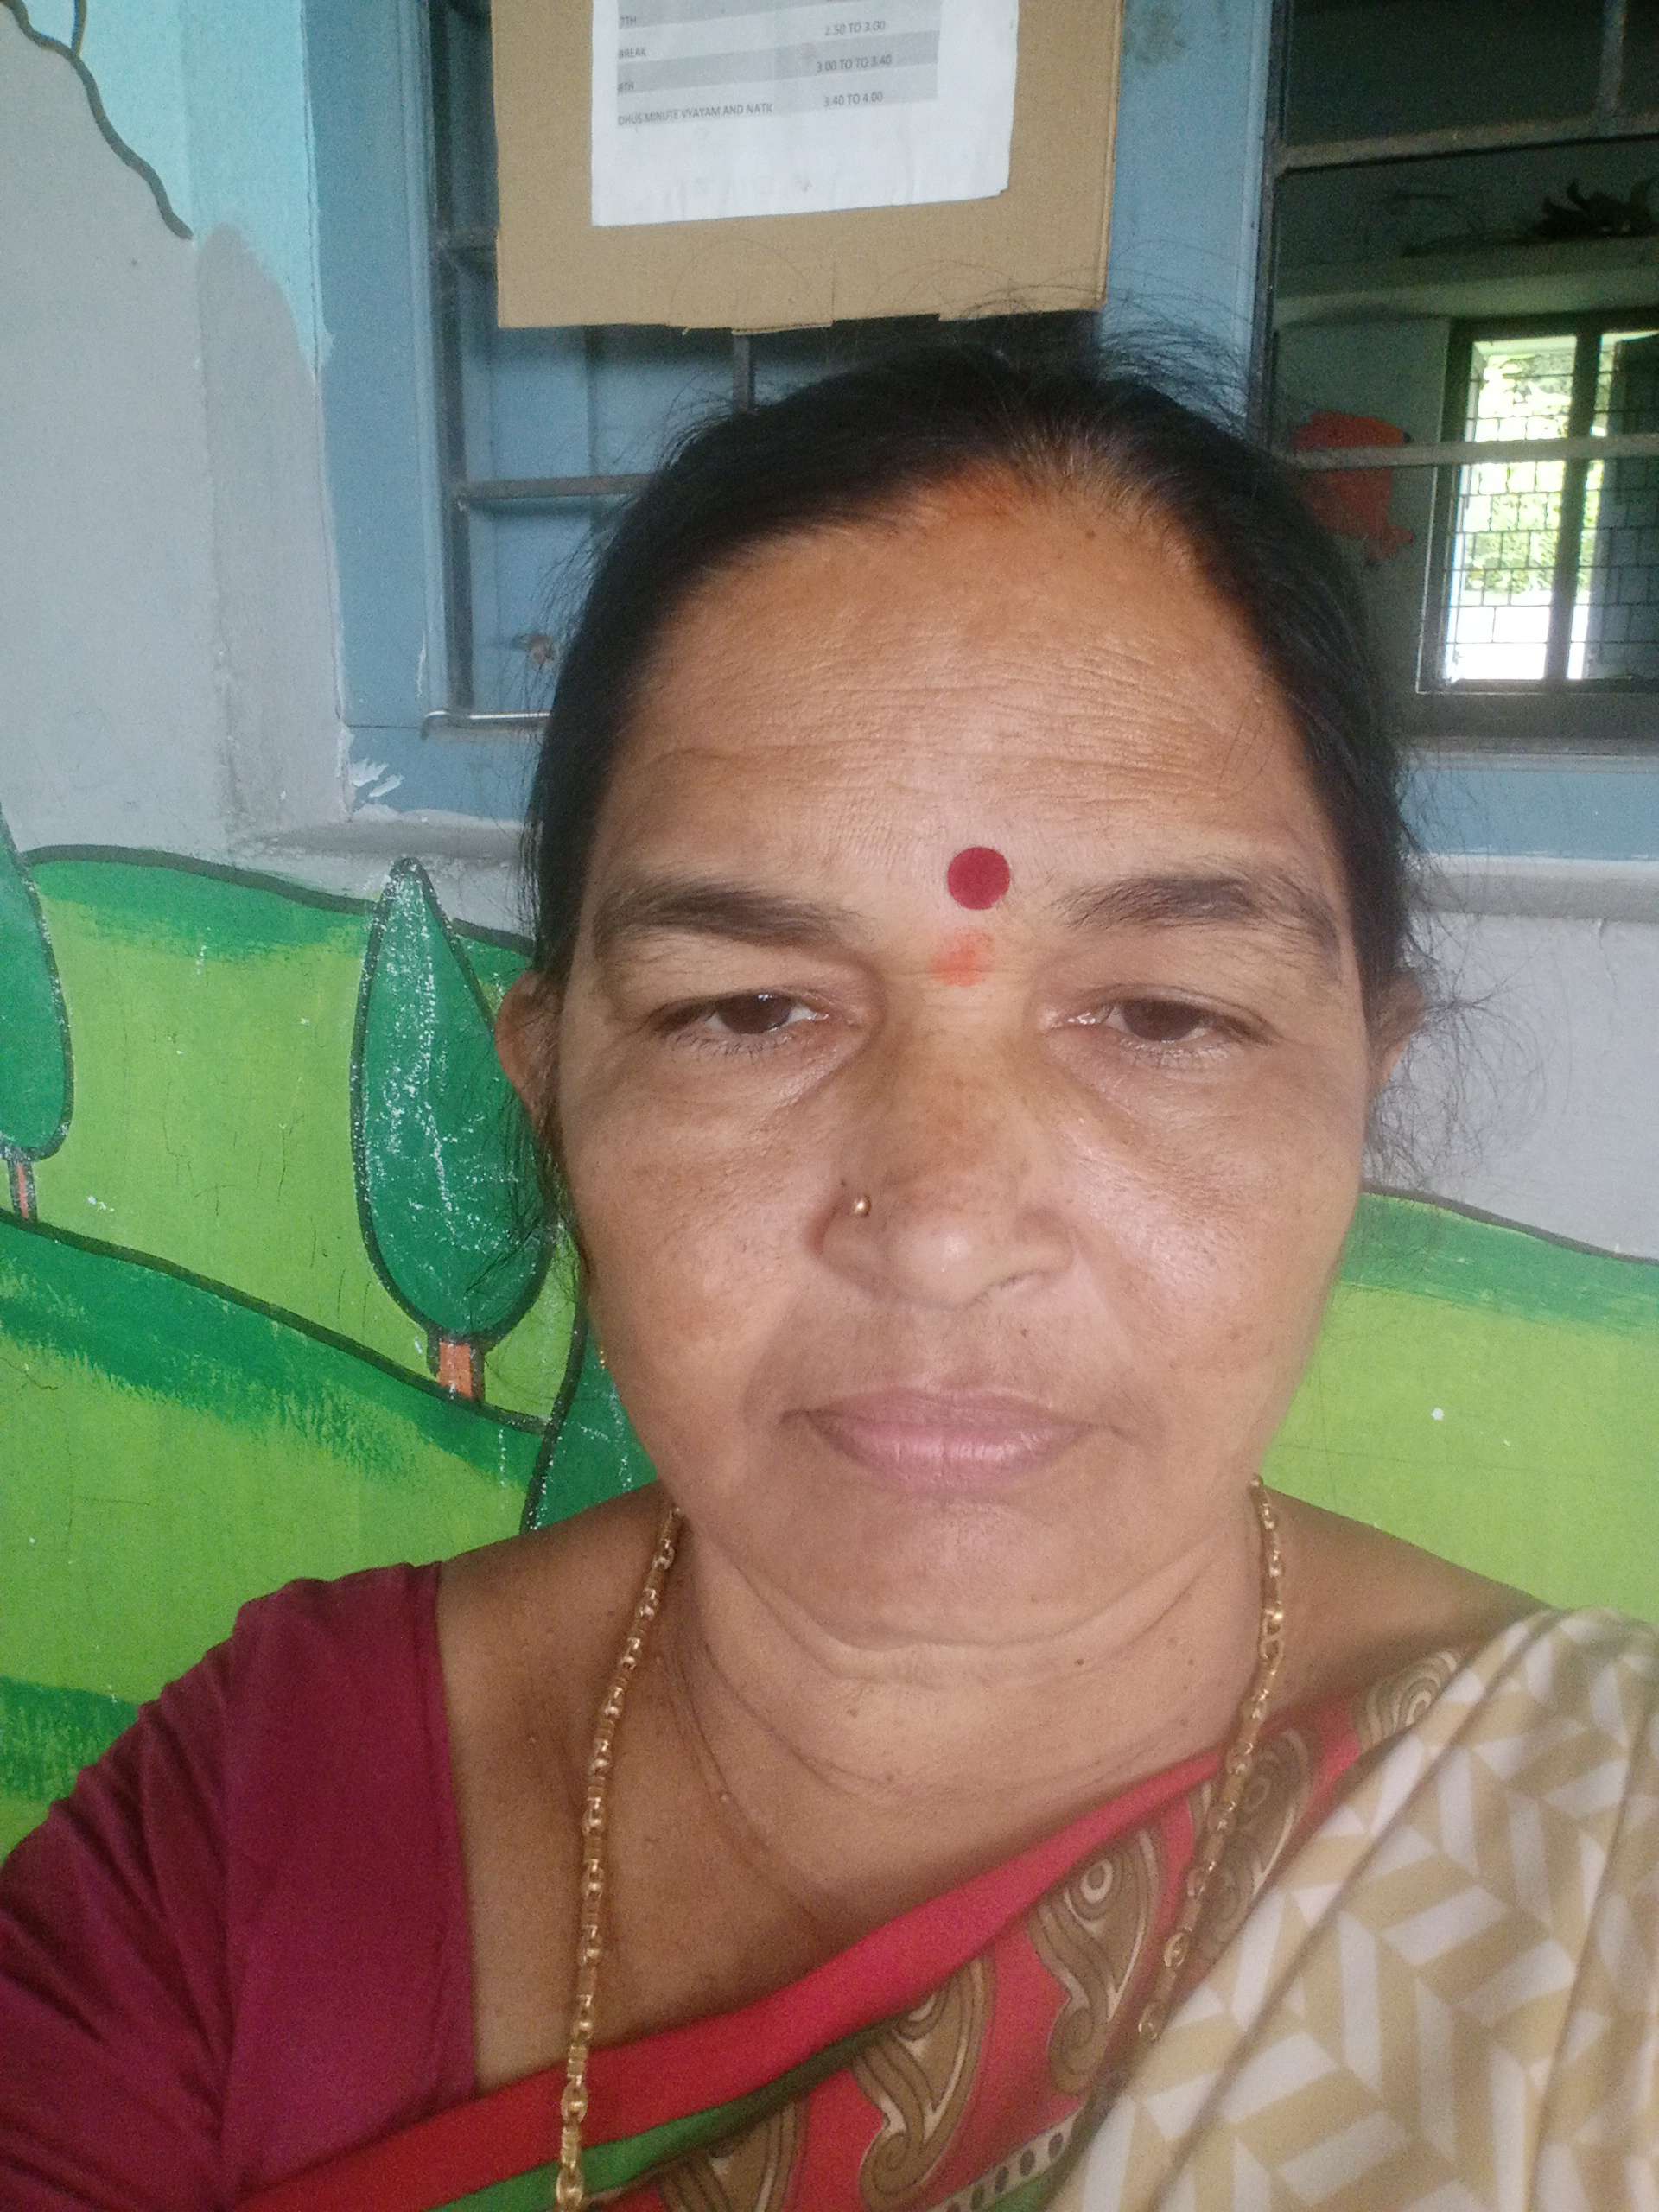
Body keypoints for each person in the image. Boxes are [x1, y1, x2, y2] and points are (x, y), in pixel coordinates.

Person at [3, 343, 1656, 2211]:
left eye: (1164, 1015)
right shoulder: (262, 1816)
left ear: (1364, 1095)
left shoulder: (1594, 1863)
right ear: (554, 1097)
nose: (942, 1228)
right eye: (747, 1011)